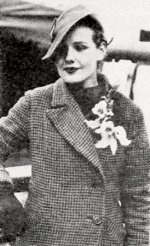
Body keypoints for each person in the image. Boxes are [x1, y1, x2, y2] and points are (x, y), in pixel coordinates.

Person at [0, 4, 150, 246]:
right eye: (60, 50)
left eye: (80, 47)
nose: (68, 58)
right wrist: (3, 191)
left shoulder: (127, 113)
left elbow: (139, 195)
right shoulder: (35, 103)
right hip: (44, 239)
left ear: (101, 50)